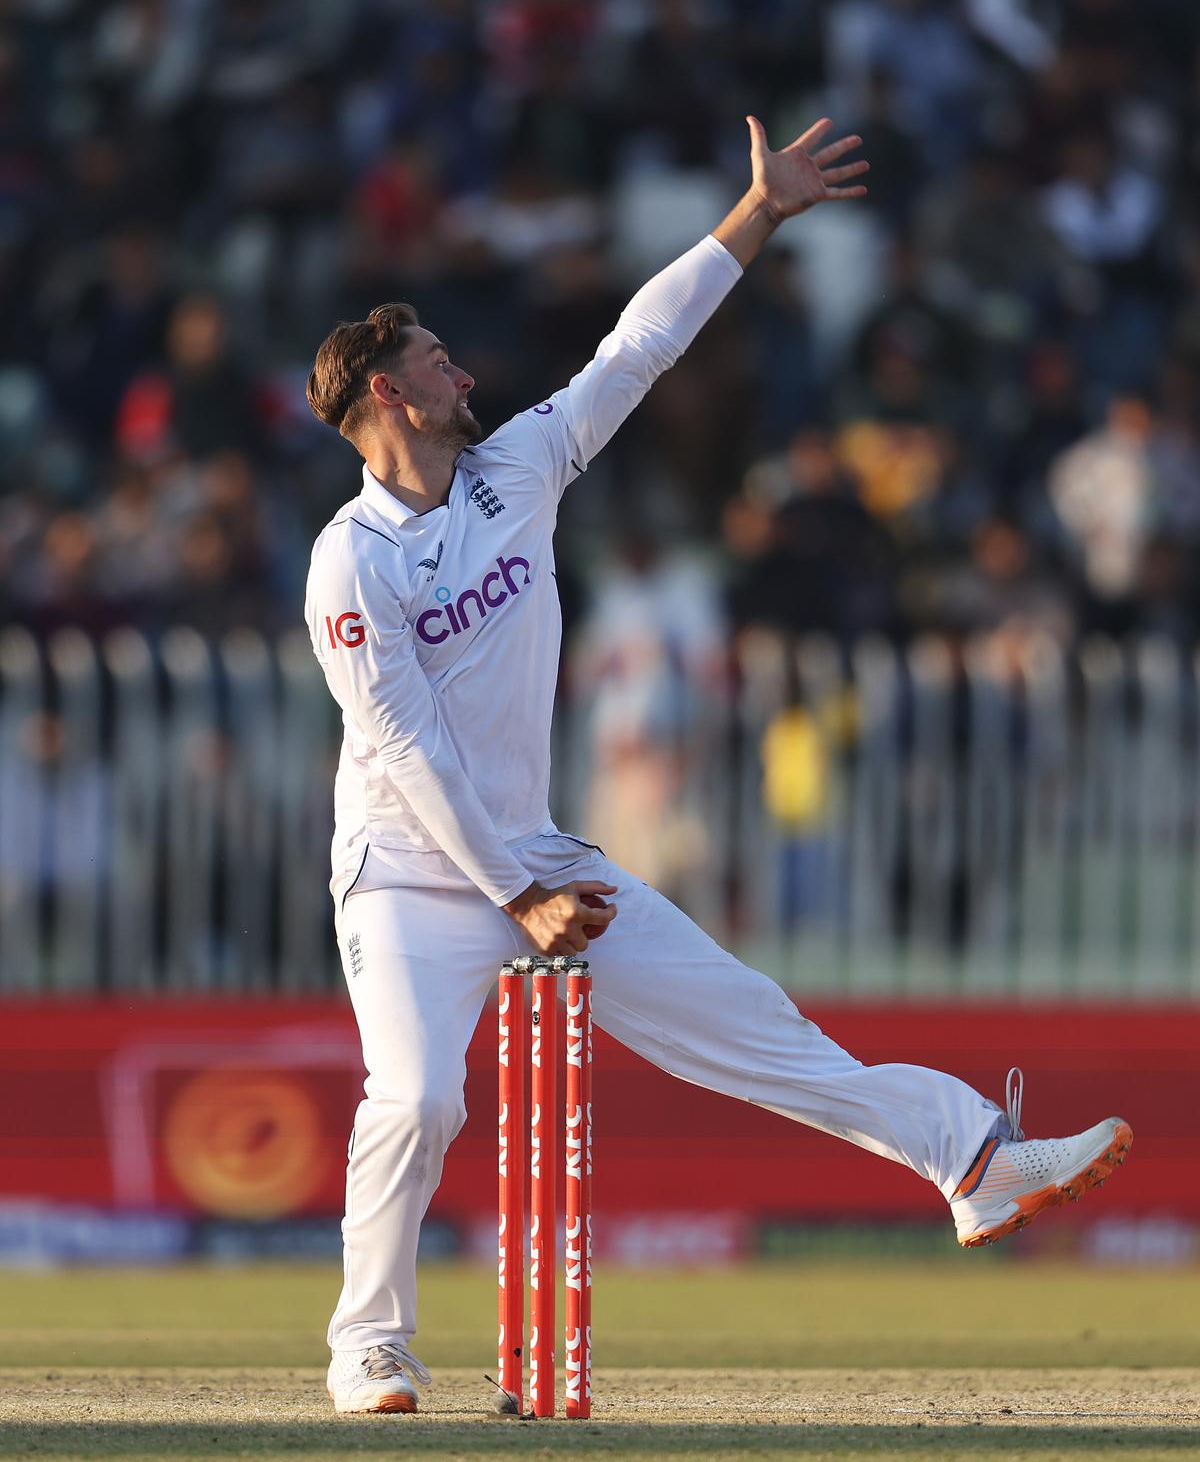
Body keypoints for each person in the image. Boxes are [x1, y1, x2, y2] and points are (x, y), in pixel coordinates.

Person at [303, 117, 1132, 1417]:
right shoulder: (349, 560)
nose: (462, 367)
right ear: (388, 394)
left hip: (540, 857)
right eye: (434, 357)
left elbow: (634, 350)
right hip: (408, 874)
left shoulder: (514, 468)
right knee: (416, 1096)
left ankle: (977, 1158)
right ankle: (370, 1347)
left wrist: (755, 217)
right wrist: (515, 893)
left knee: (763, 1031)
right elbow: (404, 750)